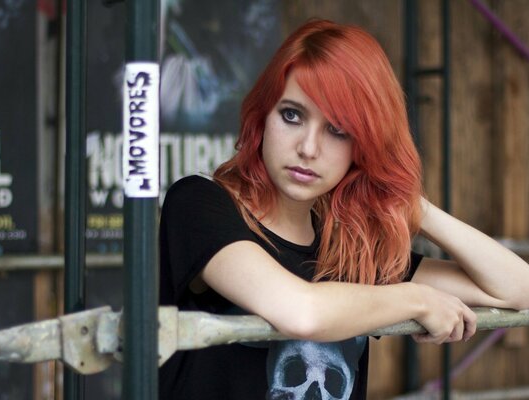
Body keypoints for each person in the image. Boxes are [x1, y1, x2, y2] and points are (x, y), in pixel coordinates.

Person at [158, 19, 529, 400]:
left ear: (363, 148)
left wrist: (411, 205)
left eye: (338, 130)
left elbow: (520, 289)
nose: (308, 148)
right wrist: (416, 299)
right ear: (262, 116)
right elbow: (300, 312)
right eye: (292, 115)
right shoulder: (199, 203)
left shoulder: (353, 247)